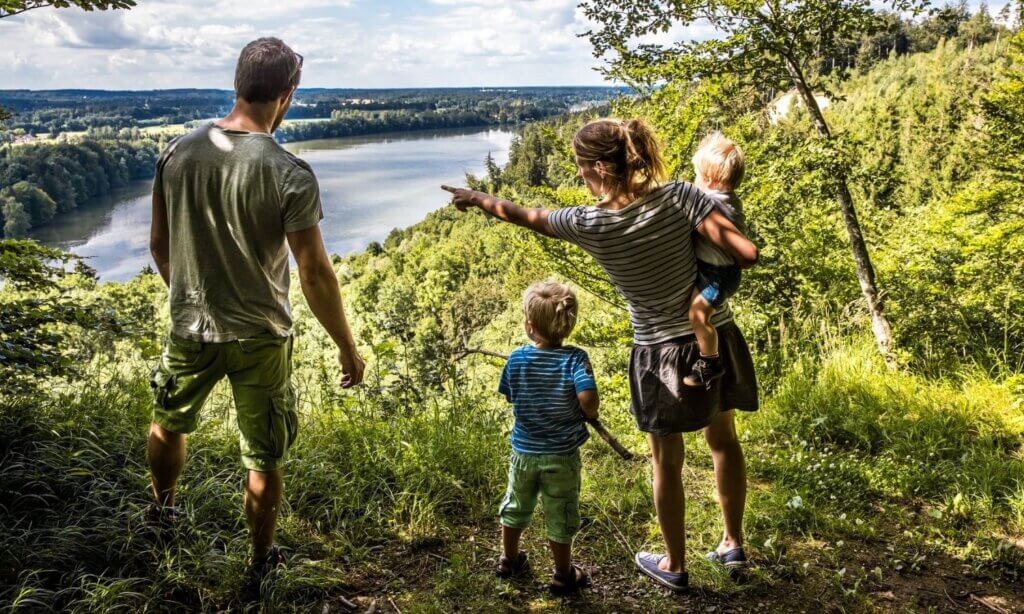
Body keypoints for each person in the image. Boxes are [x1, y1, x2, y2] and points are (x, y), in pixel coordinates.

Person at [442, 117, 759, 593]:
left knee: (665, 462)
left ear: (597, 168)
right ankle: (732, 542)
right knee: (724, 440)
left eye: (579, 167)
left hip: (658, 353)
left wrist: (479, 200)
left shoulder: (590, 223)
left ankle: (675, 564)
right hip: (714, 336)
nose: (578, 177)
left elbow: (527, 215)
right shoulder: (681, 196)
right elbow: (741, 250)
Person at [146, 37, 365, 596]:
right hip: (261, 336)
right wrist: (346, 346)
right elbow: (314, 272)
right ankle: (260, 562)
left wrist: (188, 294)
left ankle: (163, 512)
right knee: (263, 455)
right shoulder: (288, 172)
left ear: (238, 82)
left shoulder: (177, 152)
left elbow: (159, 244)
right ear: (287, 94)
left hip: (189, 326)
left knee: (168, 421)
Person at [495, 281, 599, 593]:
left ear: (530, 327)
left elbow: (510, 397)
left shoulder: (516, 358)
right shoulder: (575, 359)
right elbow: (589, 401)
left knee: (516, 504)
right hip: (562, 455)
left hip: (524, 452)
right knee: (561, 511)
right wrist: (586, 411)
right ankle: (563, 574)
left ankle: (509, 559)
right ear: (568, 324)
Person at [684, 132, 750, 388]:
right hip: (719, 271)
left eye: (697, 175)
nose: (694, 180)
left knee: (698, 315)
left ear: (709, 179)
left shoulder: (710, 203)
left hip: (718, 275)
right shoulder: (727, 200)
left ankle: (710, 361)